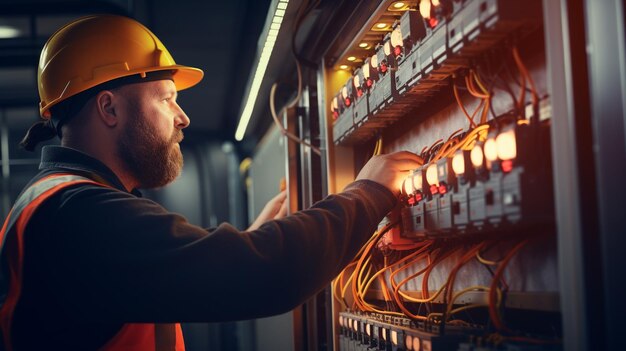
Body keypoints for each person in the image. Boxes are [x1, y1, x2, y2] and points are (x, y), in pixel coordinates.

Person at [0, 15, 422, 351]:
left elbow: (175, 284)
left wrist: (249, 240)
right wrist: (369, 192)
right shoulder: (79, 214)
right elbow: (268, 275)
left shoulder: (58, 202)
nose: (182, 117)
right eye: (166, 99)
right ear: (109, 108)